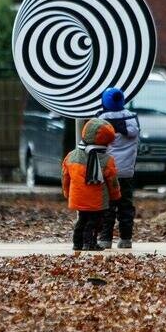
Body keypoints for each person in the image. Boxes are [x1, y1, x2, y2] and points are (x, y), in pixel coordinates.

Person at [62, 118, 122, 251]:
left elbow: (65, 177)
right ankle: (90, 243)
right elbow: (112, 181)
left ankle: (77, 243)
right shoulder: (106, 160)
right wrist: (115, 195)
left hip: (78, 197)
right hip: (97, 200)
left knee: (81, 220)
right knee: (94, 222)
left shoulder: (71, 156)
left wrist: (66, 192)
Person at [96, 88, 140, 249]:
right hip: (127, 171)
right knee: (126, 205)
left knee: (108, 205)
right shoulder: (132, 118)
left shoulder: (101, 119)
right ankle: (126, 238)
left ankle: (105, 239)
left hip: (108, 171)